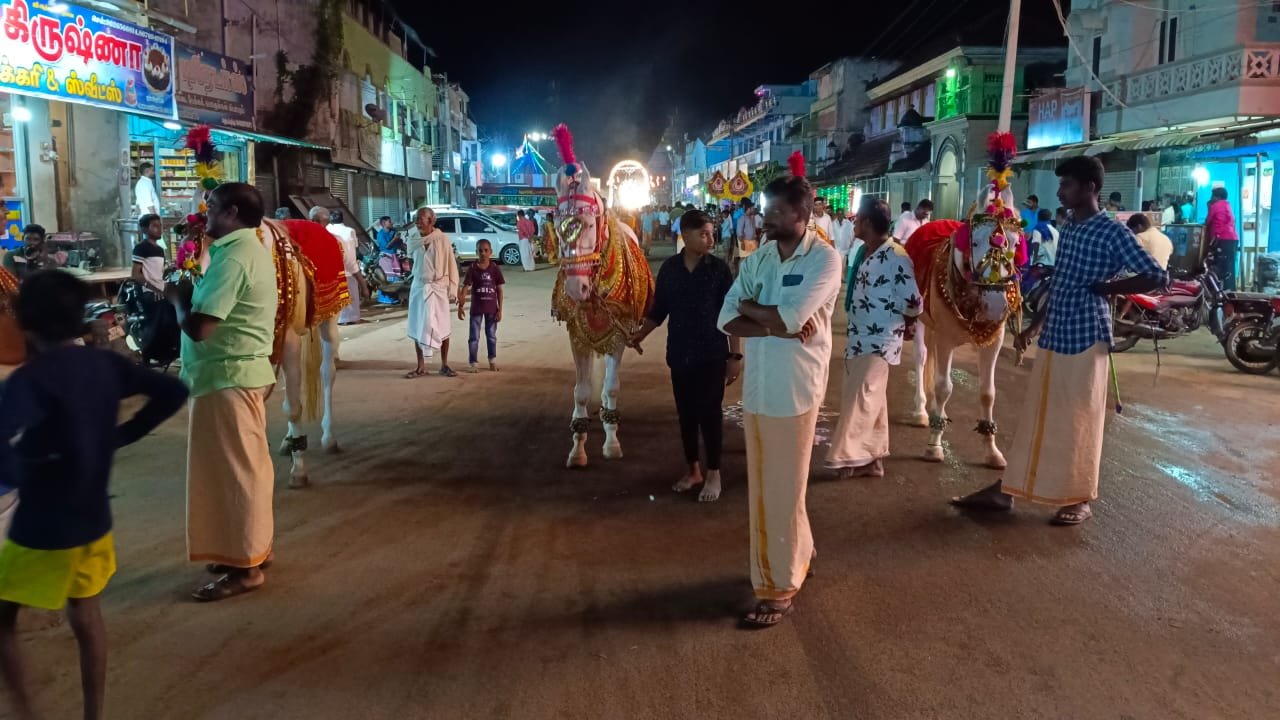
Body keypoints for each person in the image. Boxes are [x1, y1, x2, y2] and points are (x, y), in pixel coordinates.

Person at [0, 270, 187, 720]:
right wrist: (124, 434)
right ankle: (93, 714)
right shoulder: (104, 364)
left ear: (24, 322)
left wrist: (22, 469)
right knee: (86, 614)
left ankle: (25, 711)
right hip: (94, 519)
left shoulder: (30, 380)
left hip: (42, 526)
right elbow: (173, 390)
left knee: (3, 619)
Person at [951, 156, 1168, 526]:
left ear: (1090, 188)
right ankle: (1009, 489)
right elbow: (1061, 284)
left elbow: (1157, 277)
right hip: (1055, 336)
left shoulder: (1112, 232)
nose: (1060, 192)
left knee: (1079, 420)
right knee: (1039, 416)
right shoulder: (1069, 227)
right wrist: (1033, 328)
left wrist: (1107, 288)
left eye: (1067, 185)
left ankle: (1079, 498)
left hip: (1086, 338)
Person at [717, 169, 842, 627]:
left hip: (795, 390)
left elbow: (792, 317)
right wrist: (772, 325)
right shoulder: (761, 258)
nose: (764, 218)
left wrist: (756, 310)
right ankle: (800, 552)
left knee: (782, 490)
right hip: (758, 390)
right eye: (765, 209)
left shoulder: (824, 260)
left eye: (775, 211)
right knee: (769, 489)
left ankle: (779, 587)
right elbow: (725, 318)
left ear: (801, 215)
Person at [166, 182, 280, 600]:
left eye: (211, 206)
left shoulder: (234, 257)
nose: (206, 214)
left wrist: (177, 298)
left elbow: (201, 326)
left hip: (229, 377)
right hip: (231, 376)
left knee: (238, 474)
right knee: (240, 470)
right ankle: (248, 549)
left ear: (231, 213)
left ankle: (246, 569)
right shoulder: (245, 249)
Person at [628, 210, 741, 503]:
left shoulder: (718, 269)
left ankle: (714, 473)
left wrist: (735, 355)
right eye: (704, 234)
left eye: (712, 234)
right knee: (686, 415)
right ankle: (693, 470)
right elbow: (659, 310)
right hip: (679, 354)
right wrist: (640, 334)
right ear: (686, 235)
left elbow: (730, 314)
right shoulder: (670, 269)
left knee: (710, 414)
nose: (710, 239)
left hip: (712, 354)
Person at [826, 197, 921, 478]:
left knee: (860, 397)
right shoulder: (864, 251)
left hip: (880, 339)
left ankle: (846, 456)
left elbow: (914, 300)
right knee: (871, 399)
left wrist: (909, 323)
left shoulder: (896, 256)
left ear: (867, 223)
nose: (854, 223)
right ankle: (873, 459)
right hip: (859, 335)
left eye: (857, 220)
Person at [405, 207, 460, 378]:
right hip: (419, 287)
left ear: (431, 221)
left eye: (421, 219)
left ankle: (444, 364)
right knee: (418, 325)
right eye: (416, 219)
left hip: (438, 288)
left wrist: (453, 289)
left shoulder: (442, 239)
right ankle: (420, 366)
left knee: (443, 326)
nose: (417, 222)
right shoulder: (413, 239)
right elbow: (411, 261)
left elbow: (451, 264)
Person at [457, 238, 505, 373]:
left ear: (491, 252)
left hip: (492, 309)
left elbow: (499, 290)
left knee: (491, 336)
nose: (483, 253)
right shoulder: (472, 269)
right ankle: (473, 363)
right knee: (474, 337)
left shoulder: (495, 268)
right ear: (476, 252)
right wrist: (461, 305)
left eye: (486, 250)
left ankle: (492, 361)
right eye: (480, 250)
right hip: (476, 309)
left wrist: (500, 309)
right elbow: (465, 287)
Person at [314, 207, 366, 326]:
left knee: (338, 294)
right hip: (351, 267)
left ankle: (340, 319)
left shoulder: (327, 230)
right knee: (352, 294)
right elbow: (356, 247)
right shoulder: (350, 230)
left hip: (335, 268)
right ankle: (353, 317)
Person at [1204, 186, 1239, 289]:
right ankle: (1230, 289)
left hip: (1221, 239)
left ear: (1217, 197)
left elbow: (1208, 221)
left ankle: (1217, 289)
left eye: (1212, 196)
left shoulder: (1215, 206)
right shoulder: (1228, 205)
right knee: (1229, 266)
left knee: (1218, 266)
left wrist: (1209, 207)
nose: (1211, 198)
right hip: (1233, 239)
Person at [734, 204, 761, 275]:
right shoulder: (742, 218)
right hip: (745, 241)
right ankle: (741, 275)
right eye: (752, 208)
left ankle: (748, 275)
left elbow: (753, 231)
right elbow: (739, 232)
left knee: (752, 259)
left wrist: (756, 240)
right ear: (748, 209)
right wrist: (742, 243)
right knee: (744, 259)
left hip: (752, 241)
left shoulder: (752, 218)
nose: (754, 209)